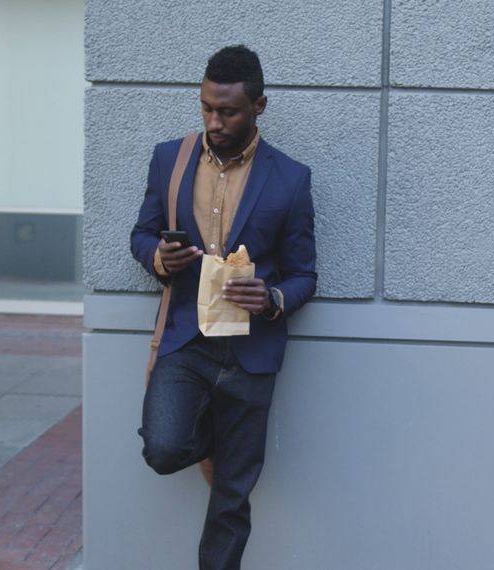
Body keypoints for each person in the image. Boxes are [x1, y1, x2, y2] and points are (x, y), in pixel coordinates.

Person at [129, 45, 317, 569]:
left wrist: (273, 298)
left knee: (231, 498)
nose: (214, 120)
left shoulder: (291, 179)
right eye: (207, 107)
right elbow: (141, 235)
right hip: (186, 342)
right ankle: (210, 434)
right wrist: (160, 258)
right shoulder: (171, 158)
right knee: (163, 449)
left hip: (251, 354)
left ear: (259, 106)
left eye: (228, 111)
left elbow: (305, 276)